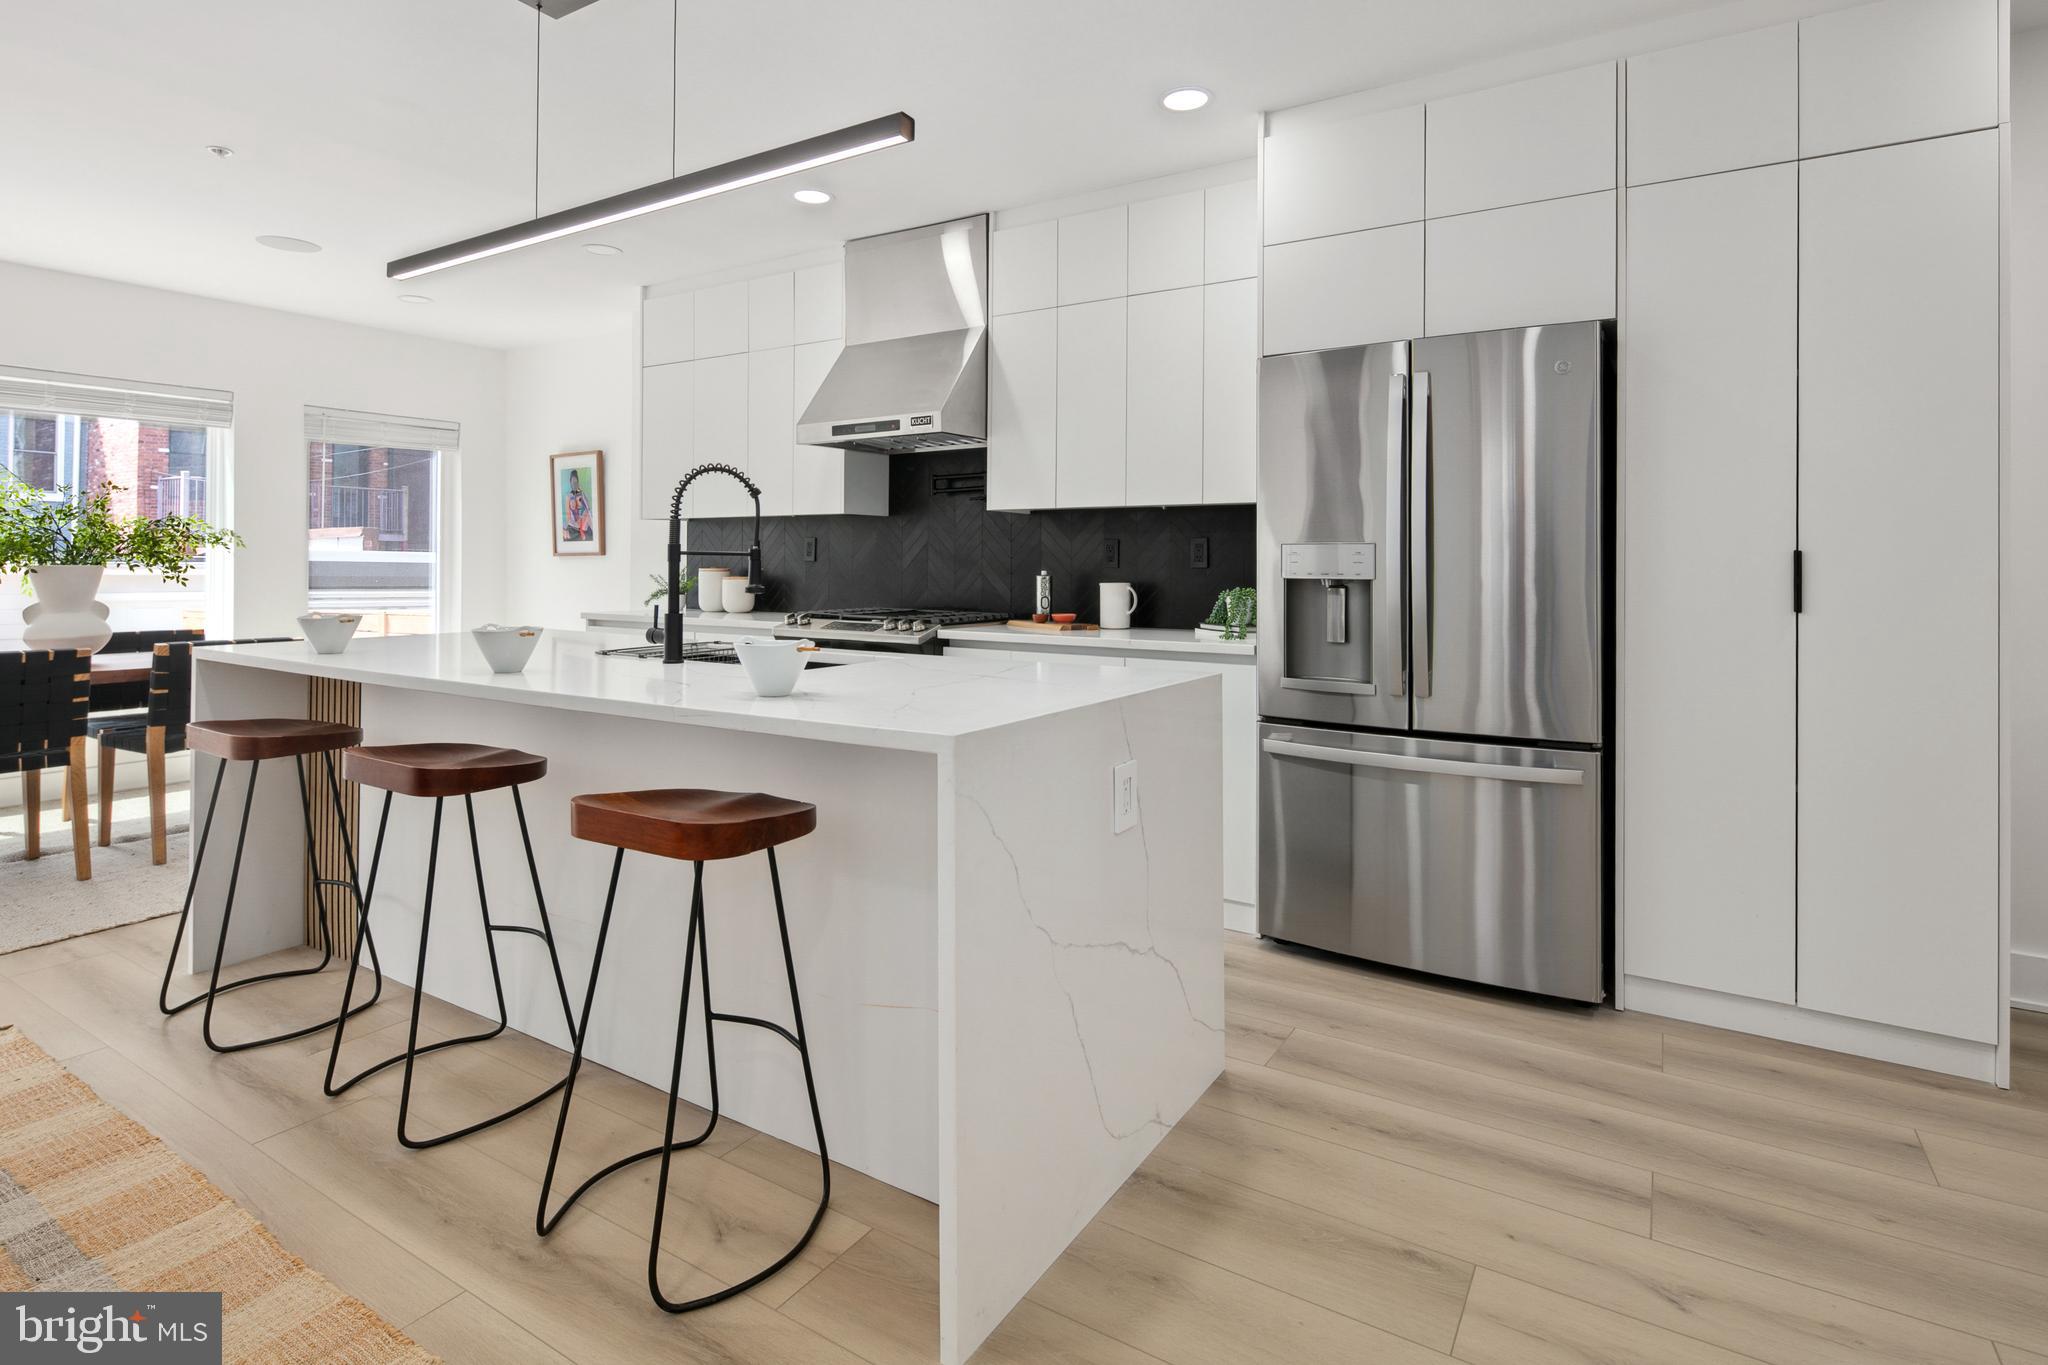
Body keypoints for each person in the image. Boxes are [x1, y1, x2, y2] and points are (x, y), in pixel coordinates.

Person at [561, 469, 592, 542]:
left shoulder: (581, 493)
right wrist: (576, 522)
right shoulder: (568, 496)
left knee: (588, 514)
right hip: (573, 524)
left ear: (578, 482)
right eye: (572, 482)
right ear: (570, 482)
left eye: (575, 482)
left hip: (583, 522)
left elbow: (588, 507)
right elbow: (568, 517)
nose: (574, 484)